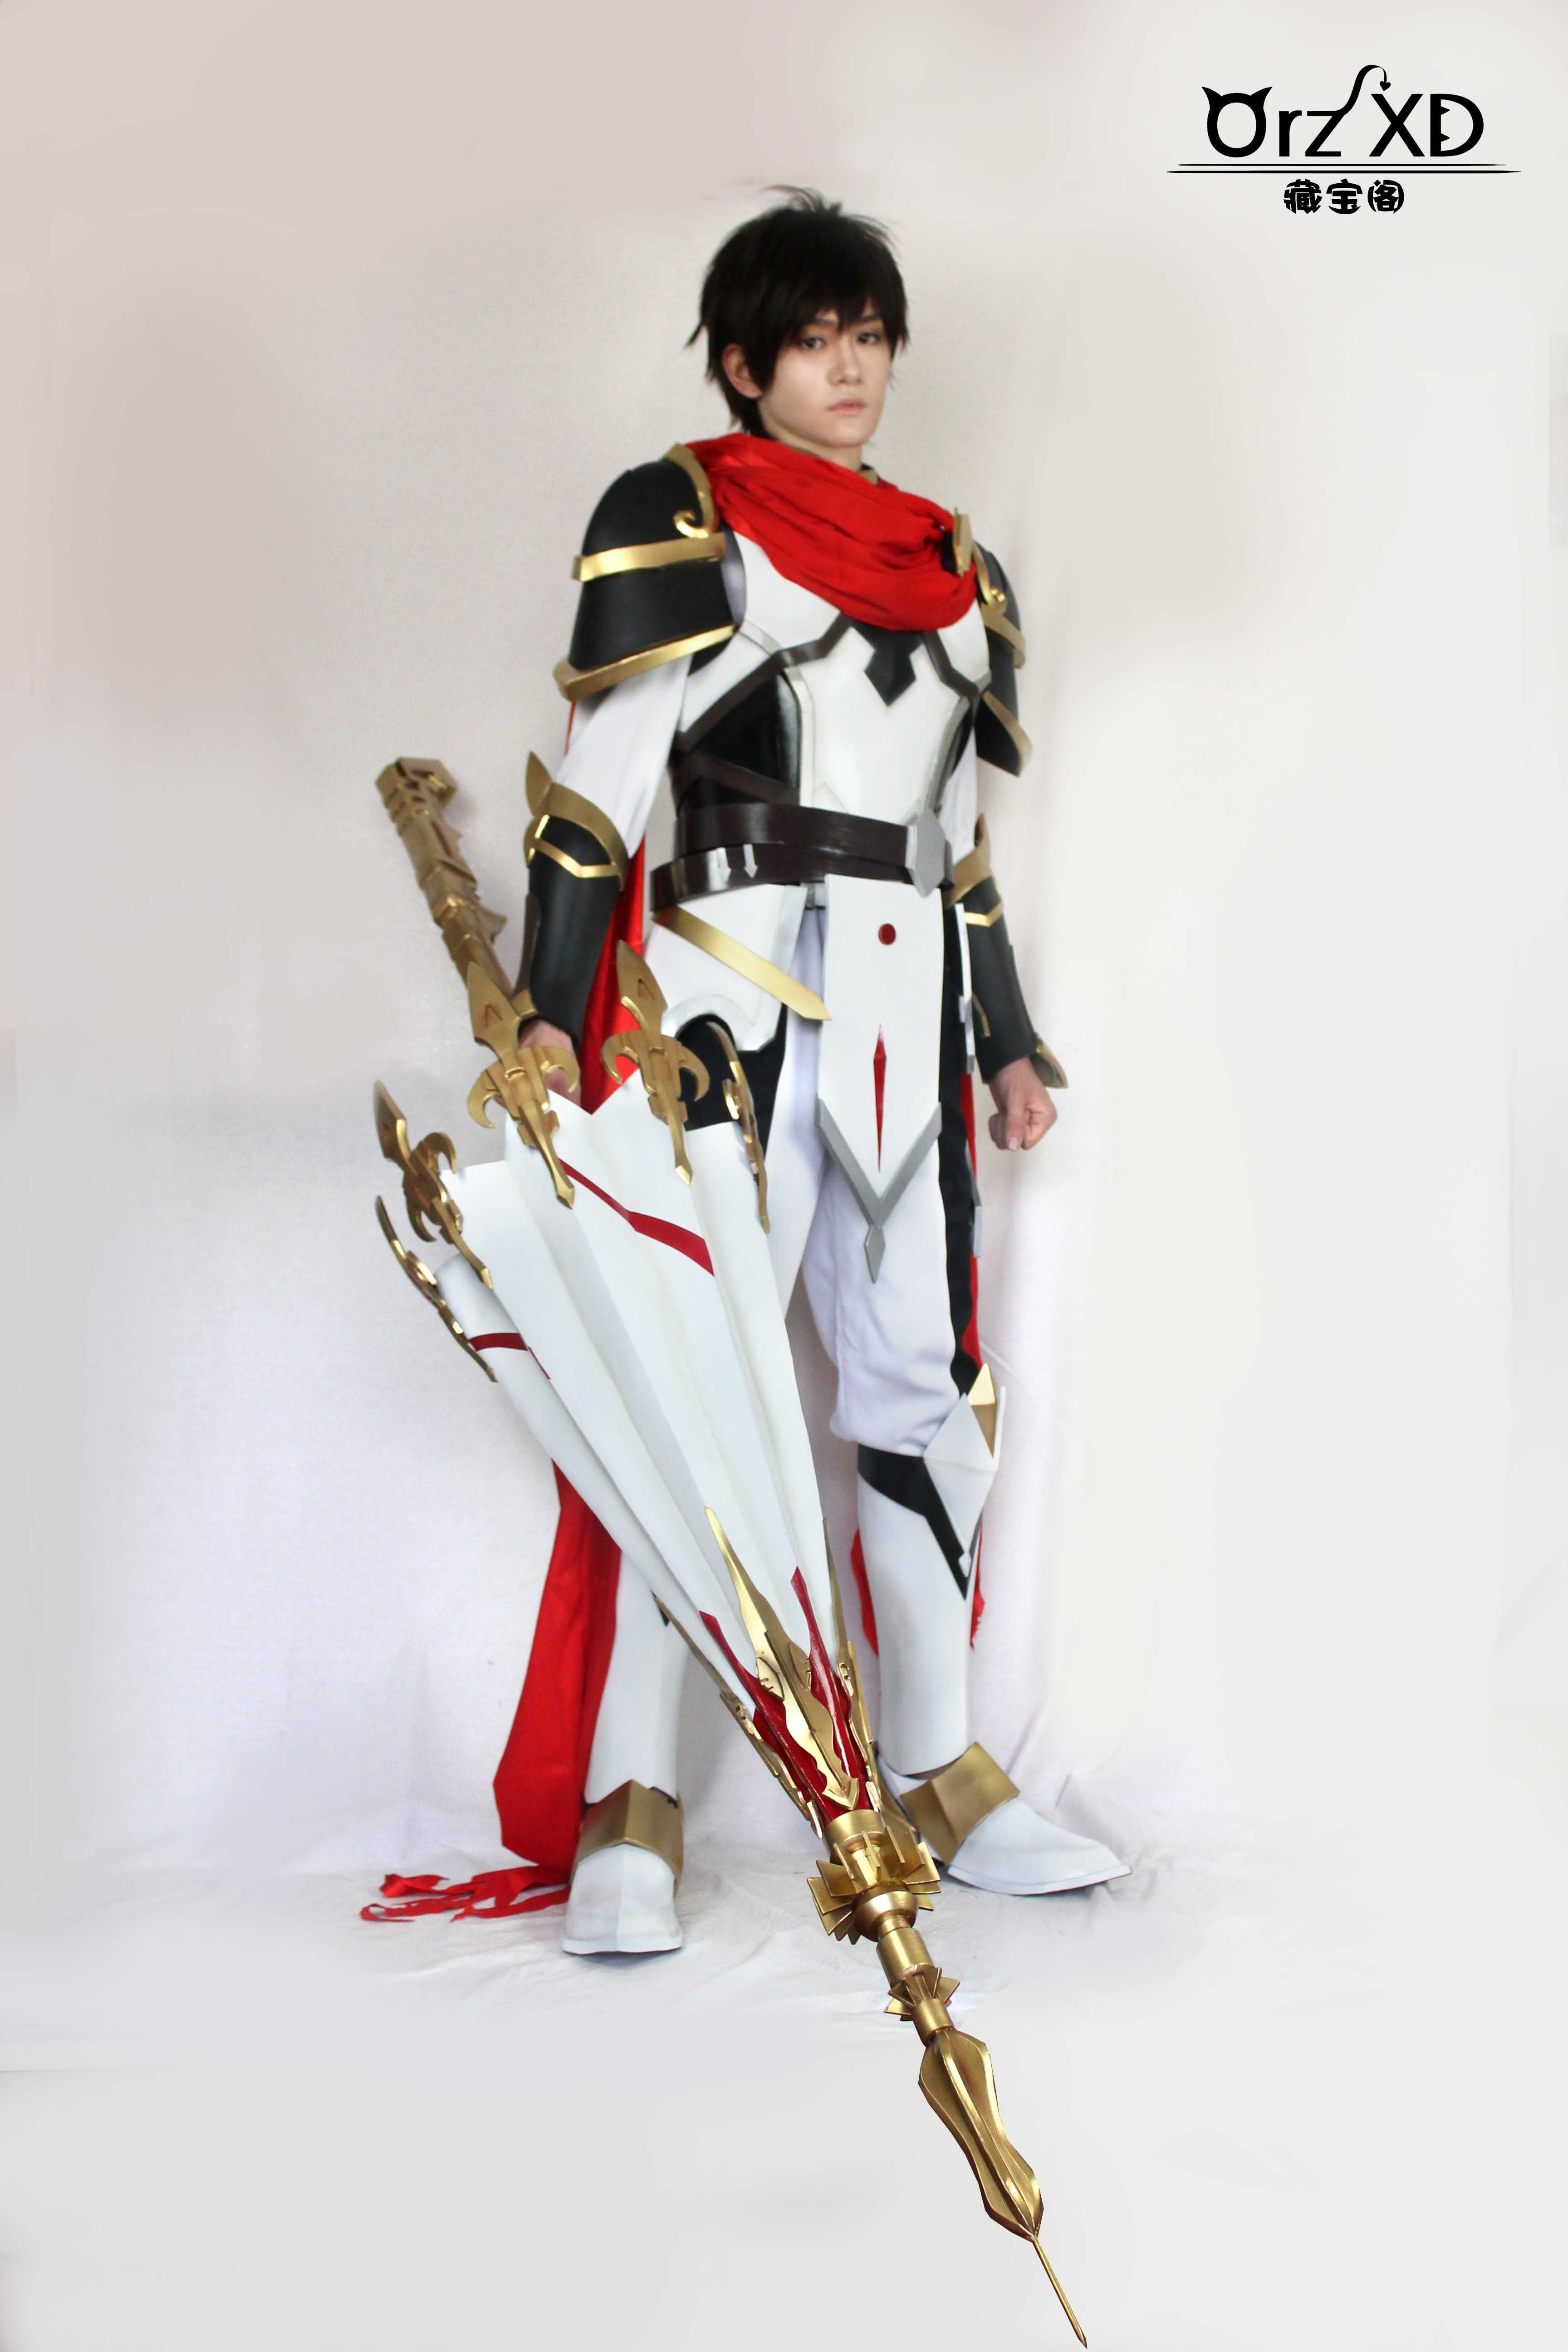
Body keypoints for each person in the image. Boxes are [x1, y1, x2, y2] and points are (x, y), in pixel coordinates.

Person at [470, 190, 1127, 1955]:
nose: (850, 370)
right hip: (721, 1013)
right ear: (747, 366)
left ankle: (945, 1769)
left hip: (909, 1020)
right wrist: (548, 1010)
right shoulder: (681, 515)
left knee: (923, 1400)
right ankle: (635, 1804)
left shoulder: (955, 568)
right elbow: (597, 803)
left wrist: (1009, 1038)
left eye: (869, 339)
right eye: (815, 342)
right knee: (696, 1399)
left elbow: (958, 847)